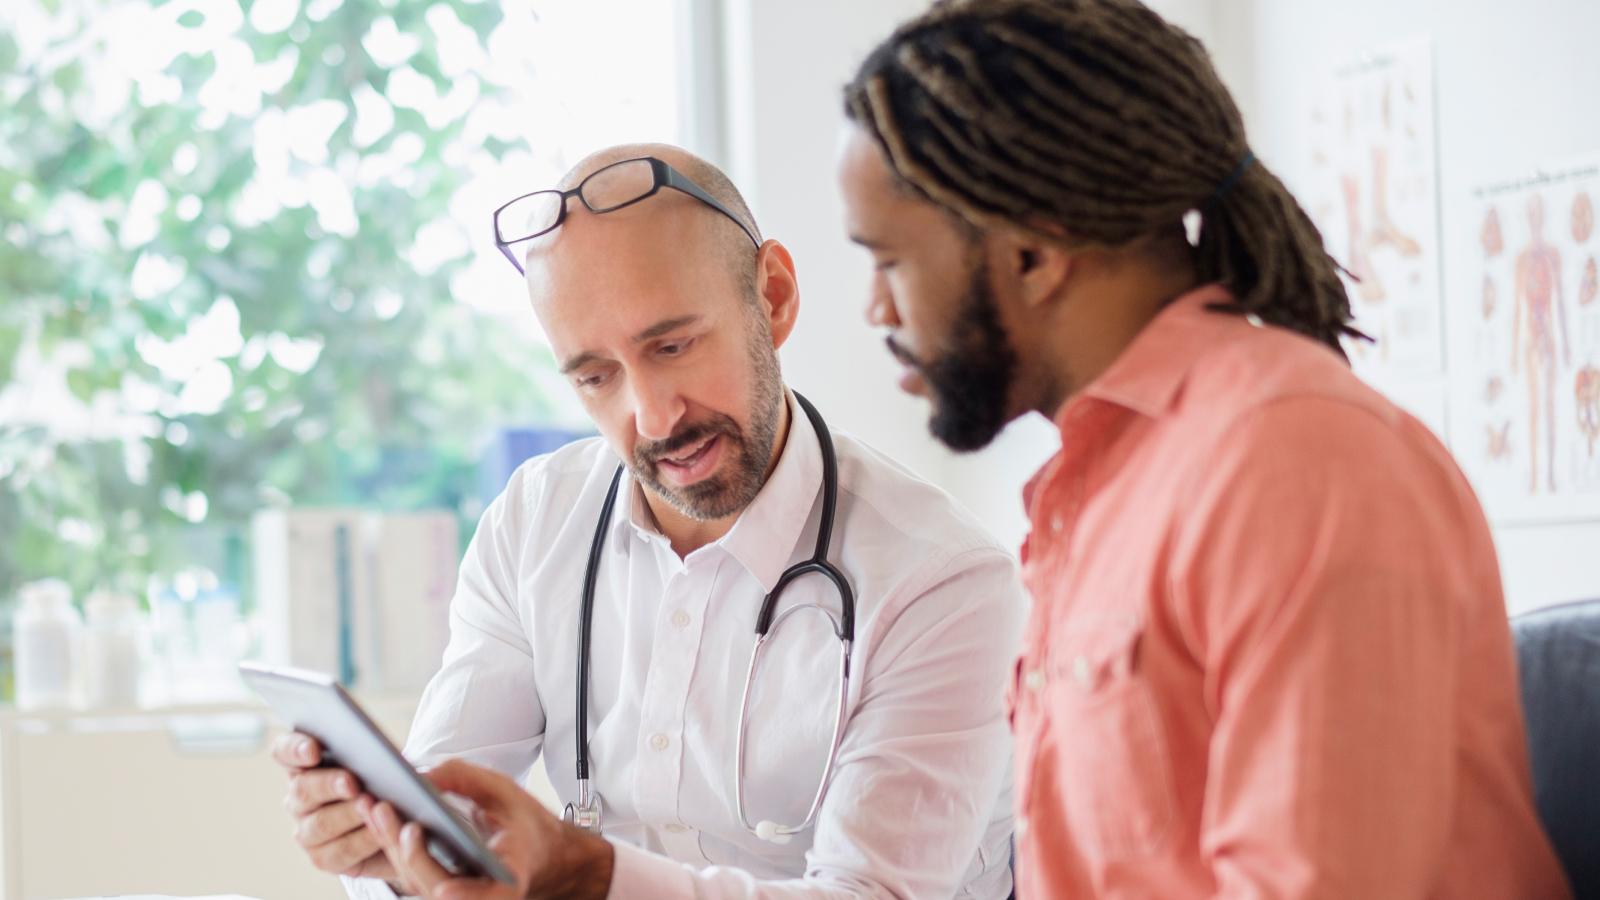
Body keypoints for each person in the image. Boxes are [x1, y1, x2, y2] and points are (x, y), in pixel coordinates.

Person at [835, 1, 1572, 897]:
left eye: (887, 262)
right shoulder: (1103, 484)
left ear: (1033, 252)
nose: (875, 310)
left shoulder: (1297, 467)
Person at [271, 143, 1024, 900]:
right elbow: (447, 810)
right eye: (596, 376)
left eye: (673, 346)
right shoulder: (535, 522)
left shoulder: (944, 583)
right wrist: (389, 849)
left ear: (775, 296)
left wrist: (587, 875)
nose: (653, 416)